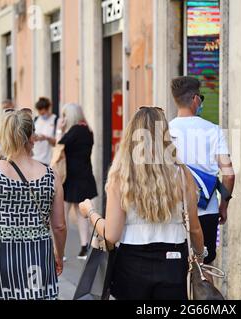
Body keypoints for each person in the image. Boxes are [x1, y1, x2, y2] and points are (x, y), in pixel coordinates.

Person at [79, 107, 205, 300]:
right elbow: (195, 228)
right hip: (173, 262)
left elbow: (111, 235)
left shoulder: (121, 176)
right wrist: (199, 256)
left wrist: (90, 212)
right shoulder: (181, 174)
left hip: (131, 265)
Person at [0, 108, 66, 300]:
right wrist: (58, 255)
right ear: (32, 137)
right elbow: (59, 226)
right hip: (36, 262)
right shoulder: (51, 176)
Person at [169, 76, 235, 271]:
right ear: (196, 99)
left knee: (177, 269)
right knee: (205, 268)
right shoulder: (213, 130)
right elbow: (229, 175)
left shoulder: (164, 130)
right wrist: (223, 205)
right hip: (207, 211)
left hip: (174, 211)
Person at [57, 103, 97, 260]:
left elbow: (59, 147)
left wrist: (59, 129)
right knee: (81, 213)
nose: (64, 118)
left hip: (70, 176)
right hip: (84, 174)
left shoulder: (74, 131)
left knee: (62, 212)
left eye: (65, 115)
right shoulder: (87, 130)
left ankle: (60, 250)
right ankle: (84, 247)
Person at [32, 97, 58, 166]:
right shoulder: (36, 120)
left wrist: (46, 138)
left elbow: (57, 143)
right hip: (34, 158)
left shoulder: (55, 120)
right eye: (40, 113)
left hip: (47, 160)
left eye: (43, 113)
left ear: (48, 109)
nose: (41, 115)